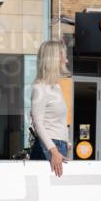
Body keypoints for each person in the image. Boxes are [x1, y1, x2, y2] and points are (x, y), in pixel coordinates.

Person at [30, 40, 70, 177]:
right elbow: (37, 123)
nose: (67, 60)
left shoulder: (55, 87)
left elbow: (58, 122)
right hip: (49, 148)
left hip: (58, 146)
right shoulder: (40, 88)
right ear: (54, 59)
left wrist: (66, 142)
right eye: (63, 56)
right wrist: (54, 150)